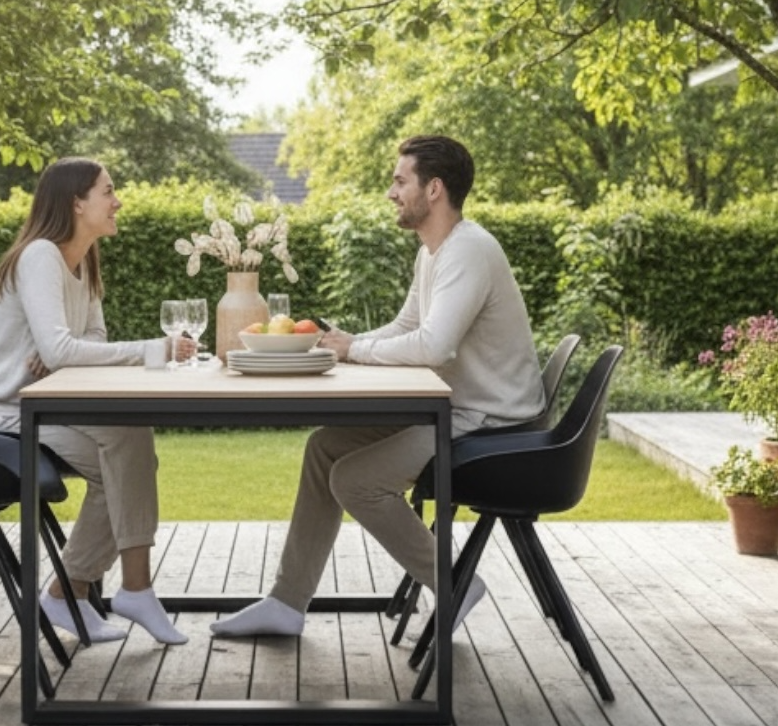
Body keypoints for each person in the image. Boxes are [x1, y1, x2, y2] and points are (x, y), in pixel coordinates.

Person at [211, 133, 542, 640]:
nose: (391, 191)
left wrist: (353, 350)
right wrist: (345, 342)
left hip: (489, 426)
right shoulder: (433, 252)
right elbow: (406, 325)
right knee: (325, 447)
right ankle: (286, 601)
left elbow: (433, 347)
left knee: (356, 480)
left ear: (433, 190)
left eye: (399, 180)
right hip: (454, 411)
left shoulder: (468, 251)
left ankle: (453, 583)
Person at [0, 157, 189, 646]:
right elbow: (63, 349)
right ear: (76, 202)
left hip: (31, 409)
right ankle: (127, 589)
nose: (117, 200)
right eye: (109, 190)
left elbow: (87, 340)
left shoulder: (81, 261)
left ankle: (69, 593)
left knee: (126, 444)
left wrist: (60, 353)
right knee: (126, 442)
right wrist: (150, 350)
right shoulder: (40, 255)